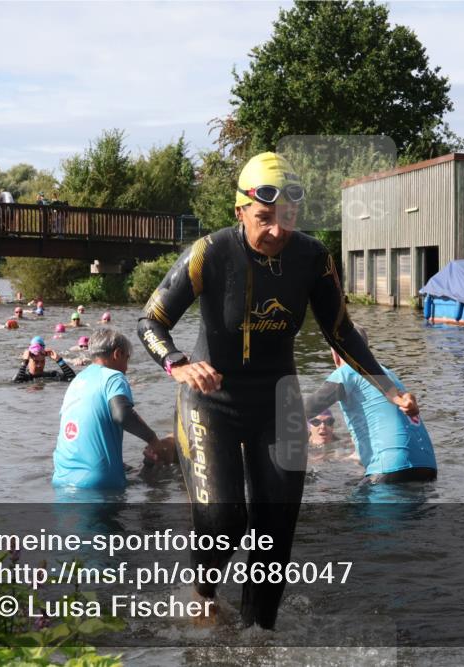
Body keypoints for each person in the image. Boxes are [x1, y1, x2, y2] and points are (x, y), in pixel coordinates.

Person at [135, 151, 419, 629]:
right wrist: (177, 363)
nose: (276, 231)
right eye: (263, 218)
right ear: (240, 210)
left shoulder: (313, 258)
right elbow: (150, 320)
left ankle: (257, 639)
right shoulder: (210, 253)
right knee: (226, 521)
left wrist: (390, 388)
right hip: (211, 401)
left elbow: (341, 333)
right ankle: (201, 593)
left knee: (275, 531)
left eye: (285, 219)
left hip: (279, 401)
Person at [304, 326, 437, 483]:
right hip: (427, 466)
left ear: (335, 351)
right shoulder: (388, 374)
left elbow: (308, 409)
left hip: (392, 466)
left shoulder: (347, 371)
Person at [52, 328, 174, 489]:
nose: (126, 368)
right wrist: (153, 440)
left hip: (61, 479)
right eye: (127, 359)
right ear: (117, 354)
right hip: (98, 482)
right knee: (159, 481)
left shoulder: (77, 380)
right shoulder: (113, 376)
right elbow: (122, 415)